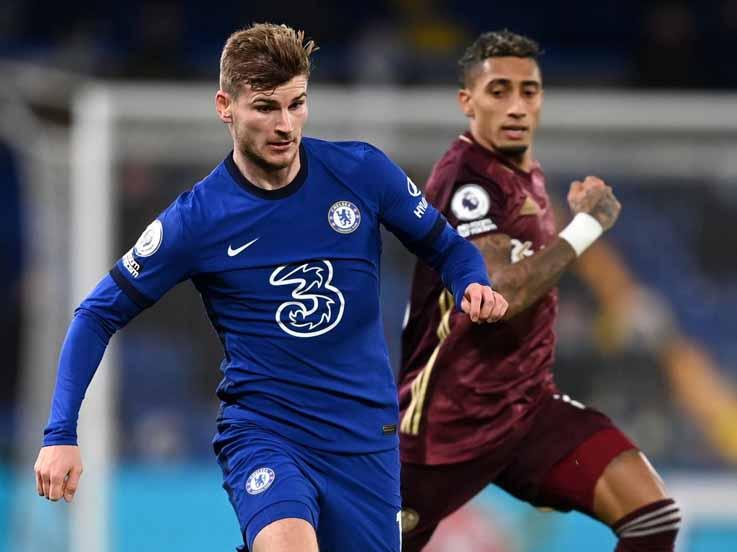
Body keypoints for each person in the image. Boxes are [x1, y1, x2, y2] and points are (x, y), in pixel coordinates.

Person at [33, 23, 508, 552]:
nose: (286, 125)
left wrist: (472, 284)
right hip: (266, 431)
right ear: (225, 106)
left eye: (297, 104)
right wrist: (60, 435)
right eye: (265, 107)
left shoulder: (361, 171)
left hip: (363, 438)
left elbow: (448, 246)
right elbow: (97, 313)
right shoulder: (197, 220)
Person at [398, 30, 680, 552]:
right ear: (467, 101)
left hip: (526, 412)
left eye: (528, 91)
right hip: (446, 429)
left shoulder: (522, 175)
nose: (516, 106)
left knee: (651, 515)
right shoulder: (468, 181)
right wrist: (587, 227)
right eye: (498, 90)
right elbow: (499, 292)